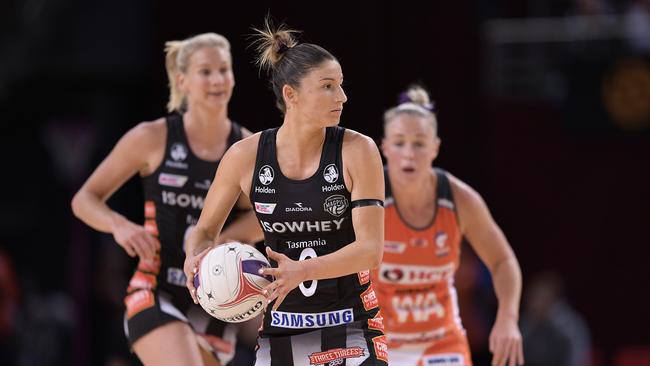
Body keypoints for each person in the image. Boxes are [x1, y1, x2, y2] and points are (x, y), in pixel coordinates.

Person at [184, 18, 388, 366]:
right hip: (281, 329)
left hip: (353, 324)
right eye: (327, 86)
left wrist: (302, 271)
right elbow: (204, 231)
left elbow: (370, 250)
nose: (342, 96)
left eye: (340, 85)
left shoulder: (358, 150)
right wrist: (196, 257)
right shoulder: (244, 157)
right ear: (290, 95)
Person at [71, 32, 263, 366]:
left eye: (224, 70)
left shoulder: (247, 148)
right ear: (182, 79)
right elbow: (84, 199)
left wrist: (226, 238)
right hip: (156, 290)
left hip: (217, 300)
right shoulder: (151, 137)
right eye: (206, 71)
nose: (218, 80)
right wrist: (119, 226)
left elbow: (264, 216)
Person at [371, 85, 525, 366]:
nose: (409, 153)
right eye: (399, 142)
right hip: (380, 342)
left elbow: (503, 261)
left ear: (435, 148)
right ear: (384, 147)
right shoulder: (368, 198)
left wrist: (507, 318)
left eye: (419, 143)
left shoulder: (459, 199)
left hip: (441, 343)